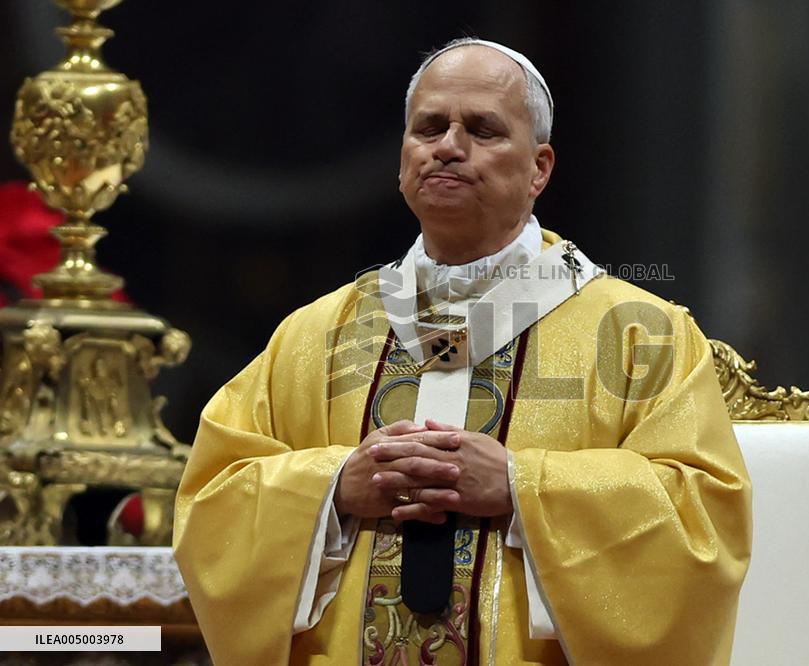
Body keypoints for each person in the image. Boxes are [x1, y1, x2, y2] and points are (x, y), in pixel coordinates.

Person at [173, 38, 751, 666]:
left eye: (482, 129)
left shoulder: (641, 333)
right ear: (402, 157)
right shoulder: (317, 334)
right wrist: (335, 488)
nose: (448, 146)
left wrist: (518, 485)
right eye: (429, 127)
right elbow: (213, 501)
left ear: (539, 168)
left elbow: (702, 518)